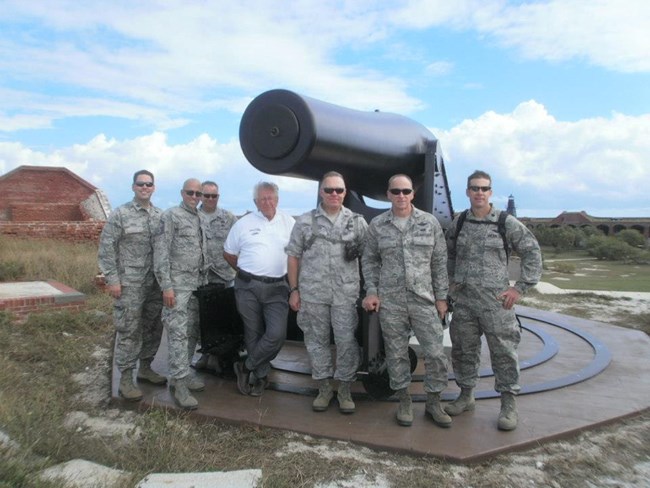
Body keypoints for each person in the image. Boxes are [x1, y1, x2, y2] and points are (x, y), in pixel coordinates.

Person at [444, 170, 542, 431]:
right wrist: (451, 284)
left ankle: (508, 404)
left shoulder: (505, 222)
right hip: (464, 302)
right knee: (463, 350)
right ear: (467, 191)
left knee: (503, 353)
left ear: (490, 192)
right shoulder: (460, 222)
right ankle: (466, 395)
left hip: (496, 303)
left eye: (484, 188)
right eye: (474, 188)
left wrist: (519, 288)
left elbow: (532, 252)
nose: (479, 192)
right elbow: (449, 254)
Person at [361, 174, 451, 428]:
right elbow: (369, 260)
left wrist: (442, 298)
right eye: (396, 191)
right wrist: (372, 291)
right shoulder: (378, 225)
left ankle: (434, 403)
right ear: (388, 194)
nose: (401, 196)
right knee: (396, 355)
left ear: (413, 194)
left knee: (435, 354)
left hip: (423, 299)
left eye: (406, 191)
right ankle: (404, 402)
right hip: (391, 301)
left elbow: (439, 262)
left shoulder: (429, 222)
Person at [286, 171, 367, 414]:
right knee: (316, 342)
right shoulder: (304, 222)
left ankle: (343, 389)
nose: (334, 194)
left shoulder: (357, 222)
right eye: (329, 189)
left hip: (345, 295)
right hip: (313, 294)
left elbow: (370, 258)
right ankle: (323, 387)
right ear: (321, 192)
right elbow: (293, 257)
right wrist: (294, 290)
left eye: (339, 190)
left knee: (346, 342)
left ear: (344, 193)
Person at [98, 169, 165, 401]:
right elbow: (106, 249)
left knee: (153, 327)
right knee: (129, 329)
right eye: (140, 184)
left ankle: (145, 368)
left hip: (155, 284)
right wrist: (113, 280)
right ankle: (125, 378)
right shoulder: (121, 214)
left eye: (148, 184)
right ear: (133, 187)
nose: (145, 188)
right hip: (129, 285)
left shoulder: (159, 216)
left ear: (154, 187)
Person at [224, 182, 295, 397]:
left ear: (277, 199)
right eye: (263, 198)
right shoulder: (243, 224)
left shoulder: (289, 223)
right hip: (247, 287)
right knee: (252, 333)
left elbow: (296, 255)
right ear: (255, 202)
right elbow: (228, 253)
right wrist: (246, 272)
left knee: (276, 334)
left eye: (271, 198)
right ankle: (261, 375)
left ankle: (246, 367)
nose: (267, 202)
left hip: (278, 288)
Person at [154, 178, 206, 410]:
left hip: (195, 286)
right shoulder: (171, 216)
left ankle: (180, 375)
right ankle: (180, 386)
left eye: (198, 194)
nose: (194, 197)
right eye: (190, 192)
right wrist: (166, 286)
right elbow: (161, 253)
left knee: (192, 332)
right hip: (177, 287)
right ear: (182, 193)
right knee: (177, 336)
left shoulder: (200, 218)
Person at [193, 180, 238, 373]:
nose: (211, 199)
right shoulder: (193, 217)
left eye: (214, 196)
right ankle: (204, 354)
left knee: (221, 320)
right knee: (201, 319)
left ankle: (221, 356)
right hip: (200, 277)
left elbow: (239, 243)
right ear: (200, 196)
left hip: (223, 276)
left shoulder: (228, 218)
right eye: (207, 195)